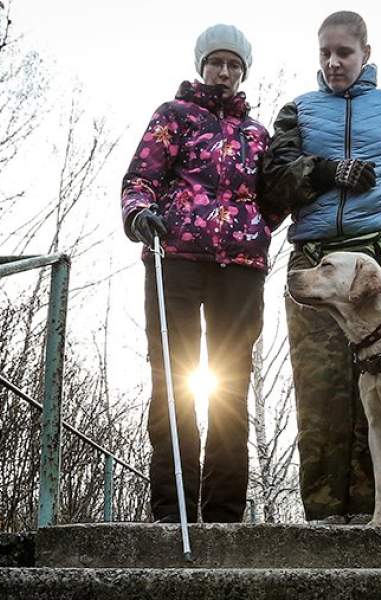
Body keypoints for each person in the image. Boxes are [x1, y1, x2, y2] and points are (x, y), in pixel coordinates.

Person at [260, 10, 381, 524]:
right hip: (314, 262)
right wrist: (324, 171)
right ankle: (324, 517)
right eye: (324, 52)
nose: (333, 61)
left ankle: (378, 514)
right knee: (320, 391)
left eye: (343, 52)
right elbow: (272, 184)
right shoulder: (295, 112)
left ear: (366, 53)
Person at [120, 24, 279, 523]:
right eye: (217, 62)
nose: (226, 72)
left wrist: (252, 227)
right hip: (177, 258)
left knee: (231, 385)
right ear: (202, 65)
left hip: (240, 268)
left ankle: (226, 512)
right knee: (173, 381)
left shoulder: (258, 134)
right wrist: (140, 213)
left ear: (243, 71)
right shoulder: (174, 116)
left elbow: (272, 197)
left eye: (235, 65)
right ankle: (173, 510)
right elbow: (140, 177)